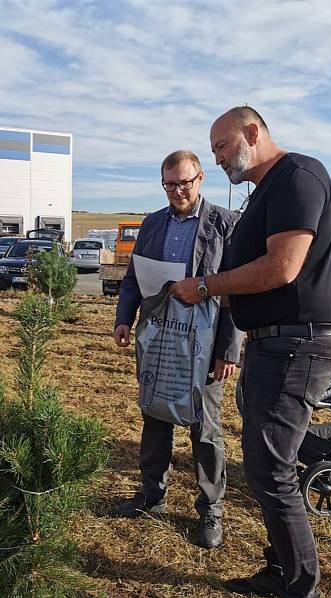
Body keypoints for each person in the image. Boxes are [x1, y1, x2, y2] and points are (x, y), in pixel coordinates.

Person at [170, 107, 331, 598]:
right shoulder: (265, 192)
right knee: (266, 462)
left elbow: (283, 267)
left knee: (271, 468)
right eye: (213, 151)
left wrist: (205, 286)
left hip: (298, 341)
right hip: (274, 340)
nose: (219, 157)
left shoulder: (298, 177)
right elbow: (254, 277)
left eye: (222, 146)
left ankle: (299, 586)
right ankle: (281, 570)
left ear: (252, 132)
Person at [111, 150, 243, 550]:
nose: (177, 191)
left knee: (205, 427)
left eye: (184, 183)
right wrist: (123, 318)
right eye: (170, 184)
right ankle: (152, 496)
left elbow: (236, 288)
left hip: (205, 345)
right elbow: (134, 278)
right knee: (155, 415)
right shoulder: (152, 224)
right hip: (160, 338)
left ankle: (211, 509)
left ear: (200, 178)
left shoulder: (225, 224)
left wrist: (229, 348)